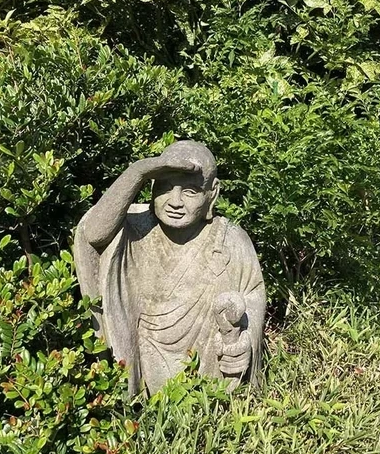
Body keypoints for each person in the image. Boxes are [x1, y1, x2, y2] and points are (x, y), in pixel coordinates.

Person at [74, 141, 265, 395]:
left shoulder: (229, 239)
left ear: (212, 194)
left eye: (190, 192)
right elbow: (94, 235)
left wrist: (242, 343)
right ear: (152, 187)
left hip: (206, 369)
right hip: (146, 358)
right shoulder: (135, 226)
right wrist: (138, 171)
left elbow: (253, 297)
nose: (175, 202)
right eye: (164, 187)